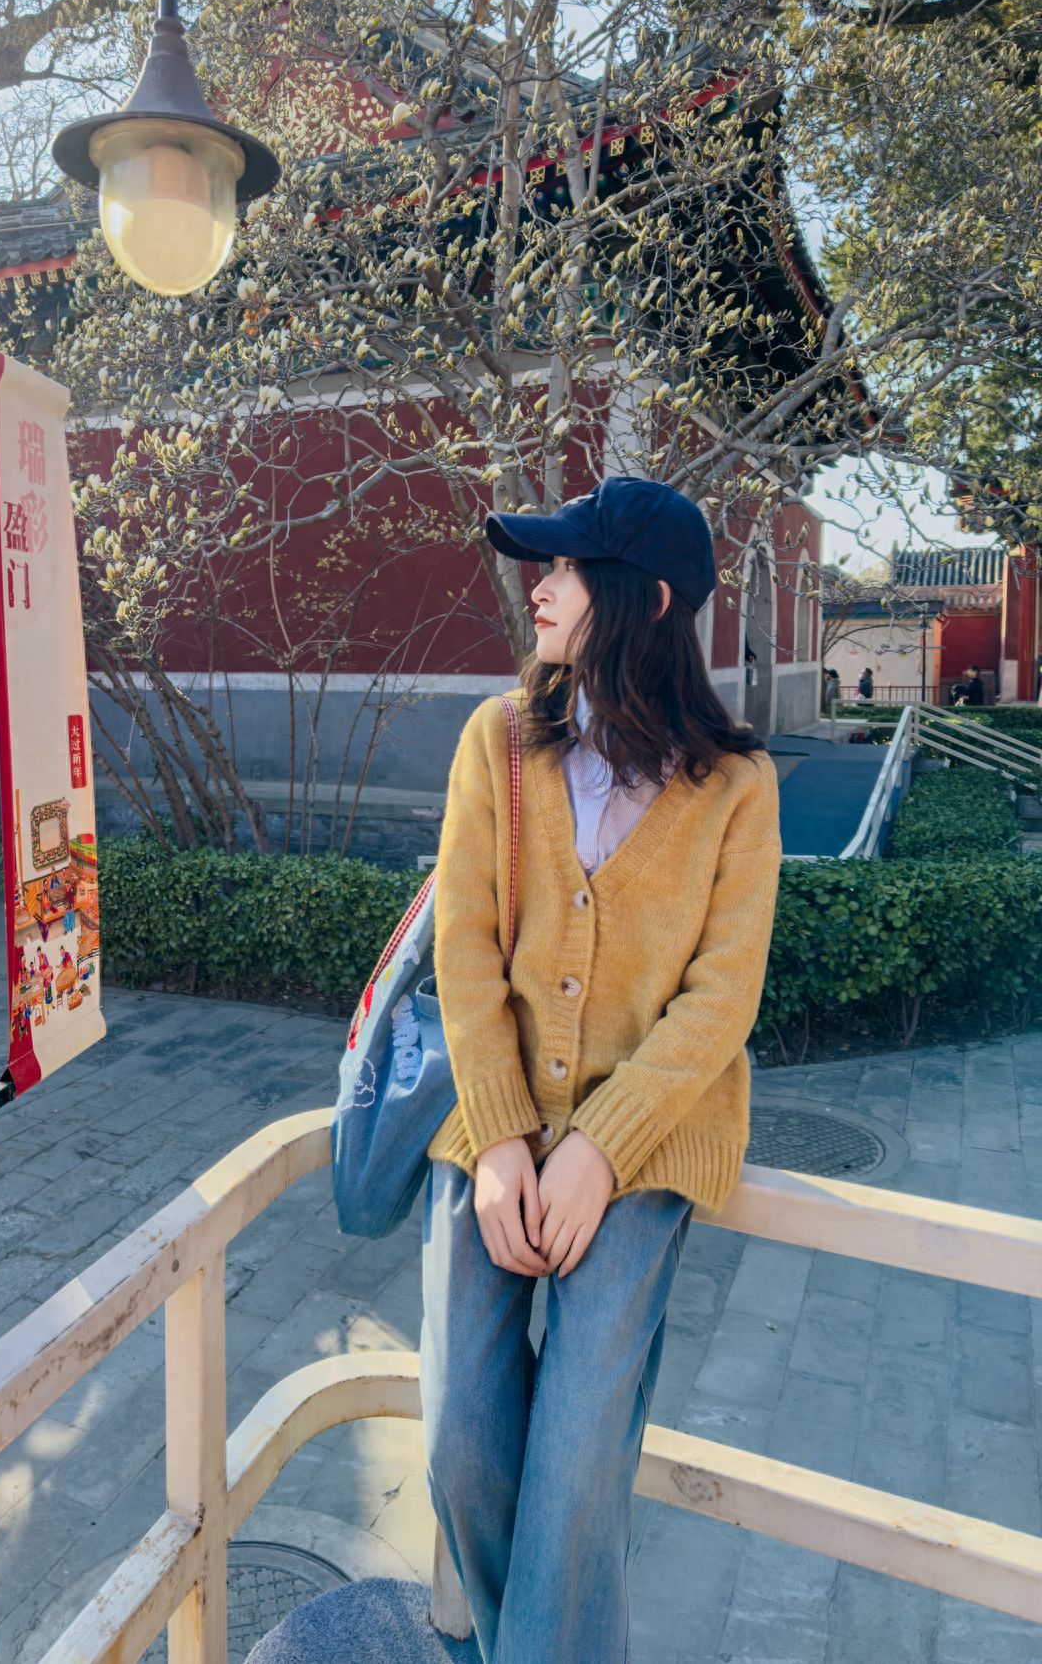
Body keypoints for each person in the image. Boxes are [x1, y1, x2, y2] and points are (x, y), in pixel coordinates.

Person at [423, 476, 782, 1664]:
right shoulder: (497, 741)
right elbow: (463, 944)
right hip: (494, 1130)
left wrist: (597, 1149)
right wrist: (499, 1138)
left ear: (644, 598)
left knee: (577, 1457)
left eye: (567, 569)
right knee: (460, 1438)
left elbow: (719, 1001)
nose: (540, 584)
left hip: (645, 1143)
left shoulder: (736, 789)